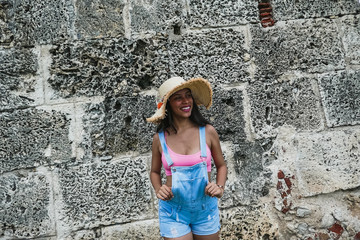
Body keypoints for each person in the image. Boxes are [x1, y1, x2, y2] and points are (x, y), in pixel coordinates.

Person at [147, 76, 228, 240]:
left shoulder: (208, 131)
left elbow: (222, 166)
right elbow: (154, 172)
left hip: (205, 209)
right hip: (173, 211)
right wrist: (158, 189)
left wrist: (219, 187)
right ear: (168, 104)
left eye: (188, 95)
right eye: (178, 98)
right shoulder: (159, 139)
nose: (186, 101)